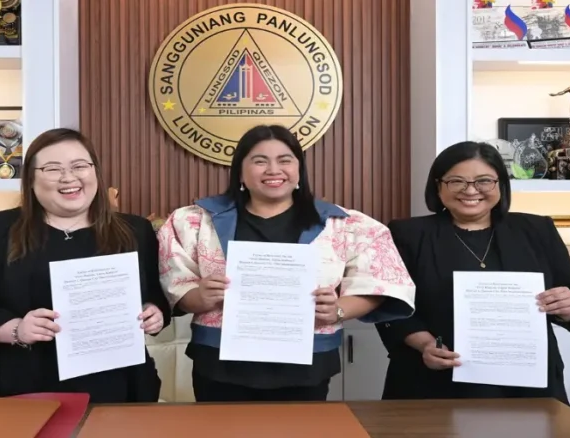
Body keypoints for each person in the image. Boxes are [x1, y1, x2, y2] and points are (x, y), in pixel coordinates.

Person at [158, 124, 416, 402]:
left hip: (307, 362)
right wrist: (200, 297)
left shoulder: (345, 224)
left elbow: (379, 284)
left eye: (285, 160)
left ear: (299, 170)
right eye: (259, 161)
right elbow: (176, 284)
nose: (273, 170)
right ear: (240, 171)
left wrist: (338, 310)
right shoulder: (195, 221)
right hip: (219, 361)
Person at [0, 128, 170, 403]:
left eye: (79, 166)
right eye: (52, 169)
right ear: (31, 179)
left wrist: (154, 313)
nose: (69, 177)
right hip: (16, 383)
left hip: (116, 385)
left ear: (95, 171)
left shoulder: (135, 230)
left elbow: (155, 295)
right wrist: (16, 329)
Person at [376, 141, 570, 403]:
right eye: (456, 181)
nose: (471, 190)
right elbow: (390, 307)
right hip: (434, 382)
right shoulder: (407, 234)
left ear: (500, 184)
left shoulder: (536, 230)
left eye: (484, 180)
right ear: (438, 186)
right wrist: (426, 345)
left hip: (527, 384)